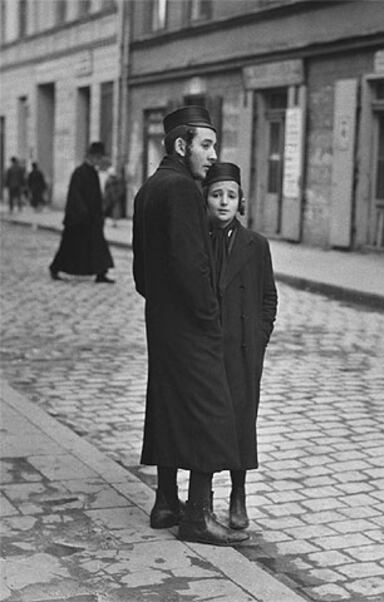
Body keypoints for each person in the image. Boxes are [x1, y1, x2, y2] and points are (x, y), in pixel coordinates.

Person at [132, 106, 248, 546]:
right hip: (191, 325)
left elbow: (142, 273)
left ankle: (165, 504)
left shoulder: (148, 190)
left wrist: (163, 309)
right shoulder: (182, 190)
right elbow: (190, 267)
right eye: (206, 145)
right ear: (181, 146)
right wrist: (208, 317)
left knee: (166, 405)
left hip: (160, 322)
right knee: (211, 413)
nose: (212, 154)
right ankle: (197, 516)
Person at [204, 162, 278, 529]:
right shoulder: (199, 241)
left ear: (241, 201)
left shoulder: (255, 245)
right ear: (206, 199)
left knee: (241, 424)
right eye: (216, 195)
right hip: (208, 350)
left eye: (230, 196)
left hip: (243, 352)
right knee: (206, 424)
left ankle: (238, 494)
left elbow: (269, 298)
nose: (223, 203)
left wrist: (259, 338)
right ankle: (203, 497)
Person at [49, 142, 115, 283]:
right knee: (68, 247)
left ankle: (101, 273)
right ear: (91, 157)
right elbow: (75, 196)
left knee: (98, 246)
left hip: (93, 219)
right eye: (97, 158)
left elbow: (97, 196)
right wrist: (83, 214)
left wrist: (99, 214)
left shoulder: (93, 173)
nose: (99, 161)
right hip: (78, 220)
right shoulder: (79, 172)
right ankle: (54, 268)